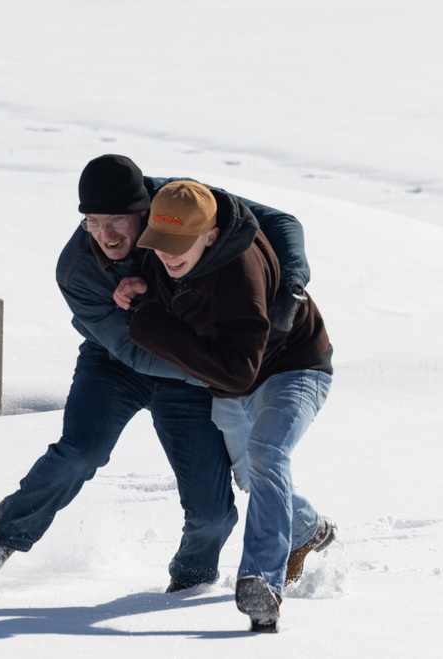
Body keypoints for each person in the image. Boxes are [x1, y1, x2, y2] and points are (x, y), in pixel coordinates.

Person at [0, 154, 318, 595]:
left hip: (192, 368)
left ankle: (190, 581)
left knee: (212, 512)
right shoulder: (76, 270)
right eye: (92, 222)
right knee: (80, 451)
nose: (105, 236)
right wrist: (219, 366)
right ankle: (4, 537)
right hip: (120, 363)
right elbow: (132, 348)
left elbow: (278, 222)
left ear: (144, 209)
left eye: (116, 221)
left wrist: (292, 287)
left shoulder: (177, 204)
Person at [115, 180, 335, 632]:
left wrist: (150, 326)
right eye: (161, 244)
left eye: (180, 244)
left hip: (294, 367)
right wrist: (147, 291)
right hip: (235, 381)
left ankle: (262, 583)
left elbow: (235, 371)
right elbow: (183, 299)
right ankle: (308, 528)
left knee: (267, 453)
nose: (168, 254)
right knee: (253, 477)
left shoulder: (240, 276)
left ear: (210, 235)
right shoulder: (168, 253)